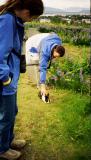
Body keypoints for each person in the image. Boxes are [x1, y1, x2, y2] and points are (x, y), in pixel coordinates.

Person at [0, 0, 44, 159]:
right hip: (5, 82)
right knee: (6, 117)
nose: (32, 20)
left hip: (10, 79)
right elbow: (0, 56)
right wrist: (6, 80)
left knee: (11, 113)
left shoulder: (14, 20)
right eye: (33, 17)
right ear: (26, 12)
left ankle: (8, 141)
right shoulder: (8, 21)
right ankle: (2, 149)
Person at [26, 33, 65, 102]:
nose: (55, 58)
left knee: (42, 63)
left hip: (45, 38)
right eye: (55, 56)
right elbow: (43, 68)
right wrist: (43, 85)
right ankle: (41, 89)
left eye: (57, 57)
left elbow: (54, 35)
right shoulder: (44, 52)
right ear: (55, 49)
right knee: (36, 63)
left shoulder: (59, 42)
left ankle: (42, 87)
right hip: (33, 43)